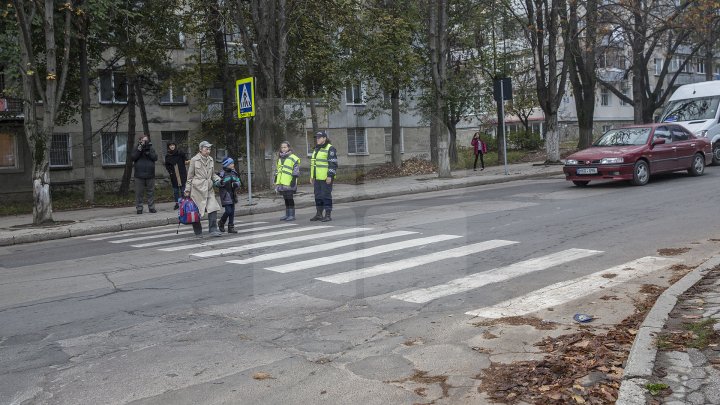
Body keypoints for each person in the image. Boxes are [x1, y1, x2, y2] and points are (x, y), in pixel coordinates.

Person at [184, 141, 222, 237]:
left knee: (213, 208)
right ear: (200, 149)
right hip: (197, 190)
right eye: (206, 149)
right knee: (195, 211)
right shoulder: (194, 160)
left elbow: (212, 174)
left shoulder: (211, 159)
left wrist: (219, 180)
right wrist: (187, 190)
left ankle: (213, 229)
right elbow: (190, 177)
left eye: (209, 149)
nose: (208, 151)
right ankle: (198, 231)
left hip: (209, 188)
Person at [309, 131, 338, 222]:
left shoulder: (330, 148)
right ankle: (319, 214)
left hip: (326, 178)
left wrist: (330, 176)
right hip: (317, 178)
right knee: (318, 196)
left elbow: (333, 164)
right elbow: (314, 164)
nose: (317, 139)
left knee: (326, 196)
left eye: (319, 137)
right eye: (317, 138)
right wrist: (312, 176)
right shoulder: (317, 149)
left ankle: (328, 215)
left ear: (324, 138)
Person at [131, 134, 158, 214]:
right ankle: (139, 208)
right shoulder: (136, 148)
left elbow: (155, 158)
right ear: (140, 141)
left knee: (151, 192)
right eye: (143, 140)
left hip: (150, 174)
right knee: (139, 193)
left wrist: (148, 152)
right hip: (139, 174)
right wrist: (140, 150)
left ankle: (151, 207)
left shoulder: (151, 148)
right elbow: (133, 157)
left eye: (146, 140)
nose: (145, 142)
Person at [274, 141, 300, 221]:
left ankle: (292, 215)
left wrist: (294, 179)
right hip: (282, 183)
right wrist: (276, 178)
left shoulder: (293, 158)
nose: (283, 149)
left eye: (285, 147)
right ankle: (287, 214)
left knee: (290, 198)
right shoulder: (280, 158)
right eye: (282, 147)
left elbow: (296, 170)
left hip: (289, 182)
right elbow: (278, 170)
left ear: (289, 147)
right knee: (285, 199)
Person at [216, 156, 241, 233]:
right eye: (231, 163)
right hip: (225, 195)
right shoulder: (222, 174)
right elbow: (216, 183)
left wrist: (237, 184)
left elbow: (238, 181)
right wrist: (220, 183)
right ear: (226, 164)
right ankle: (221, 222)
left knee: (232, 211)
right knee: (228, 211)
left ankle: (231, 227)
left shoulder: (234, 173)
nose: (233, 165)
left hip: (233, 194)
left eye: (233, 163)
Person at [164, 142, 188, 210]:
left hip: (182, 173)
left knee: (183, 190)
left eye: (173, 145)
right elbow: (167, 165)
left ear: (175, 146)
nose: (172, 146)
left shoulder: (180, 153)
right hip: (174, 175)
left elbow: (185, 159)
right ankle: (177, 204)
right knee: (176, 191)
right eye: (170, 145)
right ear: (168, 147)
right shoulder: (168, 155)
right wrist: (170, 172)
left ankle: (184, 203)